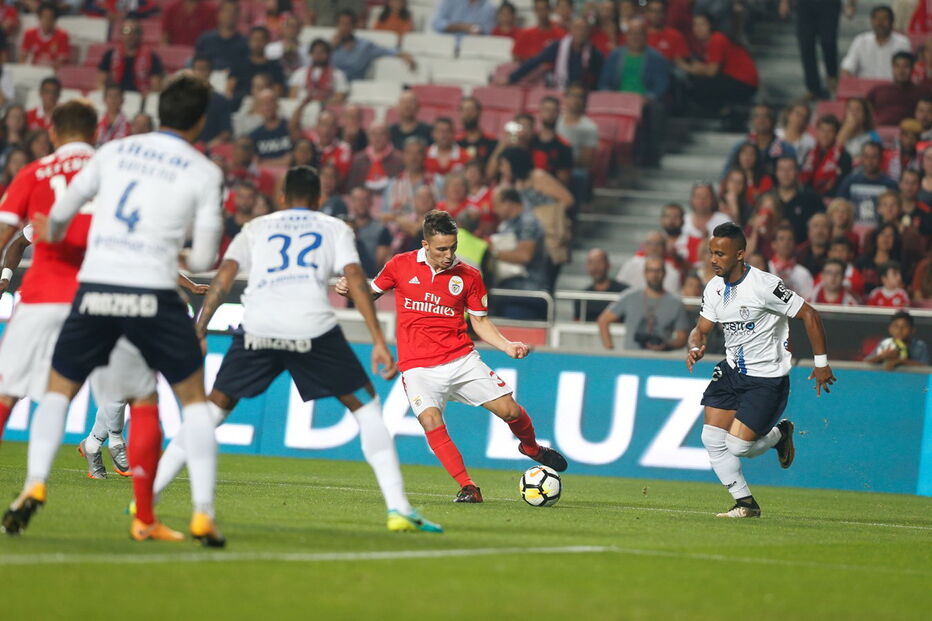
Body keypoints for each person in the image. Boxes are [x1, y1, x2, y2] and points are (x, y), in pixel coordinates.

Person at [149, 165, 442, 533]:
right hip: (312, 329)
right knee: (366, 406)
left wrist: (200, 326)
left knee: (212, 411)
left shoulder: (256, 228)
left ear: (282, 197)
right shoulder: (336, 228)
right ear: (319, 198)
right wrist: (380, 341)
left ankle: (148, 499)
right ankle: (398, 508)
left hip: (258, 326)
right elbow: (354, 280)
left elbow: (223, 279)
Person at [1, 75, 226, 546]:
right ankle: (196, 513)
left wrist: (50, 236)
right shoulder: (204, 170)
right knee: (176, 401)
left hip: (92, 288)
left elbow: (56, 218)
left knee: (56, 390)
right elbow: (205, 257)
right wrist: (173, 257)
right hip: (151, 293)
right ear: (202, 121)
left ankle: (36, 480)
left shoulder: (112, 154)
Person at [336, 209, 568, 503]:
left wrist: (507, 346)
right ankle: (468, 486)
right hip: (417, 366)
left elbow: (480, 321)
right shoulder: (400, 265)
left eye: (452, 248)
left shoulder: (469, 276)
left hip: (460, 359)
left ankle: (532, 448)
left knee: (510, 411)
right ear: (425, 245)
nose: (448, 255)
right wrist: (349, 290)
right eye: (441, 249)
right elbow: (370, 293)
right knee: (431, 421)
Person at [687, 222, 836, 518]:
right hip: (731, 372)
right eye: (711, 253)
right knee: (711, 438)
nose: (713, 260)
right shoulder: (714, 288)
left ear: (740, 254)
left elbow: (809, 314)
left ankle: (780, 435)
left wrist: (821, 363)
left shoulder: (765, 286)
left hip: (766, 379)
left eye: (720, 254)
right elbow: (701, 329)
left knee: (739, 447)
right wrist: (695, 345)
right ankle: (745, 503)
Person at [0, 101, 99, 451]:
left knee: (6, 389)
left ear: (53, 132)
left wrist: (5, 278)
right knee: (138, 397)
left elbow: (5, 235)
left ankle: (36, 483)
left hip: (42, 295)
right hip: (100, 299)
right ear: (95, 131)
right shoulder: (113, 171)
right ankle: (145, 506)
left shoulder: (35, 172)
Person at [597, 255, 689, 350]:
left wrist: (667, 346)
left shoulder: (675, 303)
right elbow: (603, 320)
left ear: (664, 273)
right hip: (632, 358)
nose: (654, 275)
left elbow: (682, 338)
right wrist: (610, 350)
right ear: (645, 273)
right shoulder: (630, 296)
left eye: (658, 271)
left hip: (660, 359)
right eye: (650, 271)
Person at [683, 13, 759, 113]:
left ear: (710, 25)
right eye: (695, 25)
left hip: (744, 84)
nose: (698, 28)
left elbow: (711, 72)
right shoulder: (710, 41)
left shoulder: (717, 39)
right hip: (739, 81)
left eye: (702, 24)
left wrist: (687, 68)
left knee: (698, 85)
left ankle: (721, 109)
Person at [779, 0, 854, 99]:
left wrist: (851, 4)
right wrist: (784, 2)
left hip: (829, 4)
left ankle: (832, 78)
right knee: (806, 45)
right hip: (805, 4)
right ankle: (813, 88)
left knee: (828, 42)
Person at [506, 17, 604, 90]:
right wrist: (511, 78)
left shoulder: (594, 54)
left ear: (588, 32)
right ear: (571, 30)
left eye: (584, 29)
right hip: (558, 89)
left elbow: (599, 78)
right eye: (577, 28)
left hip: (582, 94)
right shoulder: (558, 46)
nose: (580, 32)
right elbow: (535, 61)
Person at [332, 9, 415, 82]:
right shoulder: (330, 47)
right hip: (331, 87)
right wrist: (330, 48)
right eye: (341, 24)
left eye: (347, 24)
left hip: (355, 88)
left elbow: (385, 51)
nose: (344, 28)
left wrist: (402, 54)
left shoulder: (364, 46)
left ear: (354, 26)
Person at [723, 105, 796, 177]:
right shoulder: (740, 147)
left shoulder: (786, 148)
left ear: (774, 120)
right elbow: (726, 177)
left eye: (766, 116)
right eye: (757, 116)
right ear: (752, 120)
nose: (761, 120)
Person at [841, 4, 911, 79]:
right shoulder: (861, 41)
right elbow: (847, 67)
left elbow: (907, 71)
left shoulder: (902, 43)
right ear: (871, 21)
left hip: (892, 88)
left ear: (892, 21)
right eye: (877, 19)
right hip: (865, 88)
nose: (880, 23)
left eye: (885, 19)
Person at [837, 141, 900, 225]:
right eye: (866, 156)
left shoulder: (890, 184)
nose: (870, 161)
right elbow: (838, 206)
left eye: (874, 157)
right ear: (862, 158)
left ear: (881, 158)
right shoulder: (850, 181)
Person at [96, 18, 164, 94]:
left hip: (140, 99)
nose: (131, 35)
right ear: (121, 34)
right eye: (127, 31)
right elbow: (101, 83)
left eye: (135, 32)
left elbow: (155, 87)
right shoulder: (110, 55)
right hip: (115, 98)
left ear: (140, 35)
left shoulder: (152, 57)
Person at [228, 26, 286, 109]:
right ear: (249, 42)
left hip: (266, 107)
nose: (258, 43)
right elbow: (229, 90)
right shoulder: (239, 64)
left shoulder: (275, 67)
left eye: (261, 40)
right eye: (255, 39)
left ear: (268, 42)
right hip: (240, 106)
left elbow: (278, 92)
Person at [868, 52, 932, 126]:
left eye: (905, 66)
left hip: (911, 133)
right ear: (892, 68)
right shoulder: (877, 91)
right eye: (897, 66)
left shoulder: (923, 92)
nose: (901, 71)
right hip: (878, 133)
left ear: (912, 68)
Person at [774, 156, 825, 244]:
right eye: (782, 169)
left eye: (790, 169)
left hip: (805, 251)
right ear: (776, 173)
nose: (786, 174)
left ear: (797, 172)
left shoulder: (811, 198)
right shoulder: (768, 198)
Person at [678, 183, 731, 264]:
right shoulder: (683, 220)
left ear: (713, 199)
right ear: (692, 199)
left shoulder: (724, 220)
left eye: (706, 197)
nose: (702, 200)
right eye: (698, 196)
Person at [801, 114, 852, 197]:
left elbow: (843, 185)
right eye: (822, 130)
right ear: (817, 132)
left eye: (830, 131)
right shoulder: (809, 154)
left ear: (836, 134)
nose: (825, 135)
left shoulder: (843, 156)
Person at [616, 230, 683, 294]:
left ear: (665, 247)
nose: (654, 248)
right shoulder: (630, 265)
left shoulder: (672, 270)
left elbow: (672, 295)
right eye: (650, 243)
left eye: (658, 244)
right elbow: (619, 288)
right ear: (643, 245)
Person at [288, 38, 348, 105]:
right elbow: (292, 98)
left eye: (322, 52)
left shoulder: (337, 74)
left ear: (328, 54)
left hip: (326, 109)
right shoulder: (299, 73)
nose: (319, 55)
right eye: (316, 52)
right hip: (302, 108)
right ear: (310, 54)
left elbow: (340, 98)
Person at [191, 55, 233, 149]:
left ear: (210, 72)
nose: (200, 73)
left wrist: (206, 147)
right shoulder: (182, 99)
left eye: (204, 69)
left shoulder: (221, 101)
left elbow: (226, 132)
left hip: (210, 150)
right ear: (192, 71)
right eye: (198, 69)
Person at [195, 0, 249, 73]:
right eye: (226, 11)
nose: (230, 15)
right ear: (218, 14)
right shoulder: (205, 40)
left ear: (238, 15)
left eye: (234, 12)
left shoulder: (245, 43)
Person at [347, 122, 403, 192]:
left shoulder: (400, 159)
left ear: (389, 136)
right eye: (373, 134)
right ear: (368, 136)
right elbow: (352, 188)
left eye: (381, 134)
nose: (377, 138)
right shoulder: (358, 160)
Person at [348, 187, 391, 277]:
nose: (361, 203)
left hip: (369, 278)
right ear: (351, 202)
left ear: (371, 202)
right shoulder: (343, 227)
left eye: (365, 199)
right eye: (357, 200)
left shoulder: (381, 229)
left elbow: (379, 264)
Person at [529, 97, 573, 186]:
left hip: (549, 189)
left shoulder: (564, 146)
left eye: (554, 111)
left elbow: (563, 181)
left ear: (558, 114)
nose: (550, 114)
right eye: (546, 110)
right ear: (540, 113)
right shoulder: (529, 140)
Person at [575, 247, 627, 322]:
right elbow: (576, 325)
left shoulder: (624, 292)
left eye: (599, 262)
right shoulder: (581, 297)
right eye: (591, 262)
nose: (595, 267)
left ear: (608, 265)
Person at [865, 309, 929, 368]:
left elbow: (925, 366)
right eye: (896, 326)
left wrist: (900, 361)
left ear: (912, 330)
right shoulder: (885, 343)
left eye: (905, 326)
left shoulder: (919, 346)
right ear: (890, 329)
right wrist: (882, 356)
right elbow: (865, 363)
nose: (899, 330)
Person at [769, 224, 815, 299]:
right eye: (781, 239)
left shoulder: (803, 273)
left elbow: (808, 301)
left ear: (794, 244)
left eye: (790, 239)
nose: (786, 242)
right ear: (773, 244)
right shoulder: (766, 269)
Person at [20, 2, 70, 68]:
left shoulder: (62, 36)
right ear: (39, 18)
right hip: (32, 71)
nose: (46, 21)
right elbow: (23, 57)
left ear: (54, 20)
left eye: (50, 18)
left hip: (51, 72)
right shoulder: (29, 33)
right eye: (44, 17)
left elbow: (61, 61)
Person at [248, 89, 292, 166]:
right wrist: (281, 161)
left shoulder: (290, 127)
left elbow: (292, 159)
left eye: (270, 103)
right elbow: (256, 164)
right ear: (258, 108)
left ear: (277, 104)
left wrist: (264, 162)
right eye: (263, 104)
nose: (267, 107)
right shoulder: (254, 135)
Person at [645, 0, 689, 65]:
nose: (656, 15)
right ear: (647, 13)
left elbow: (681, 63)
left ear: (664, 13)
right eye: (652, 11)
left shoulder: (675, 36)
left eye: (659, 11)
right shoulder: (638, 35)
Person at [457, 96, 498, 166]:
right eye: (464, 110)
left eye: (471, 110)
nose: (468, 114)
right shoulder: (455, 142)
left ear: (479, 112)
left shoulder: (491, 141)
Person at [777, 102, 816, 167]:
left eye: (804, 117)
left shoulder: (810, 142)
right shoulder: (776, 135)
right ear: (788, 114)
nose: (800, 119)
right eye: (798, 114)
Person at [431, 0, 496, 36]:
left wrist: (479, 32)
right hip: (446, 48)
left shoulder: (489, 7)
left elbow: (489, 32)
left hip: (475, 50)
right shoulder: (450, 1)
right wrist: (461, 27)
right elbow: (436, 24)